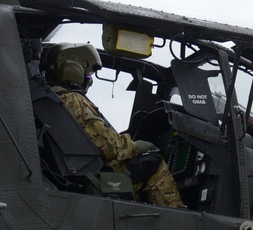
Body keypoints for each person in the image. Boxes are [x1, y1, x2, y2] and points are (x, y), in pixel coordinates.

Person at [44, 42, 184, 208]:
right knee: (154, 164)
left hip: (80, 173)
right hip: (94, 176)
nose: (89, 79)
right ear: (73, 69)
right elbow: (110, 146)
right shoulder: (73, 100)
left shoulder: (54, 99)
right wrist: (136, 147)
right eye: (87, 74)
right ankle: (177, 220)